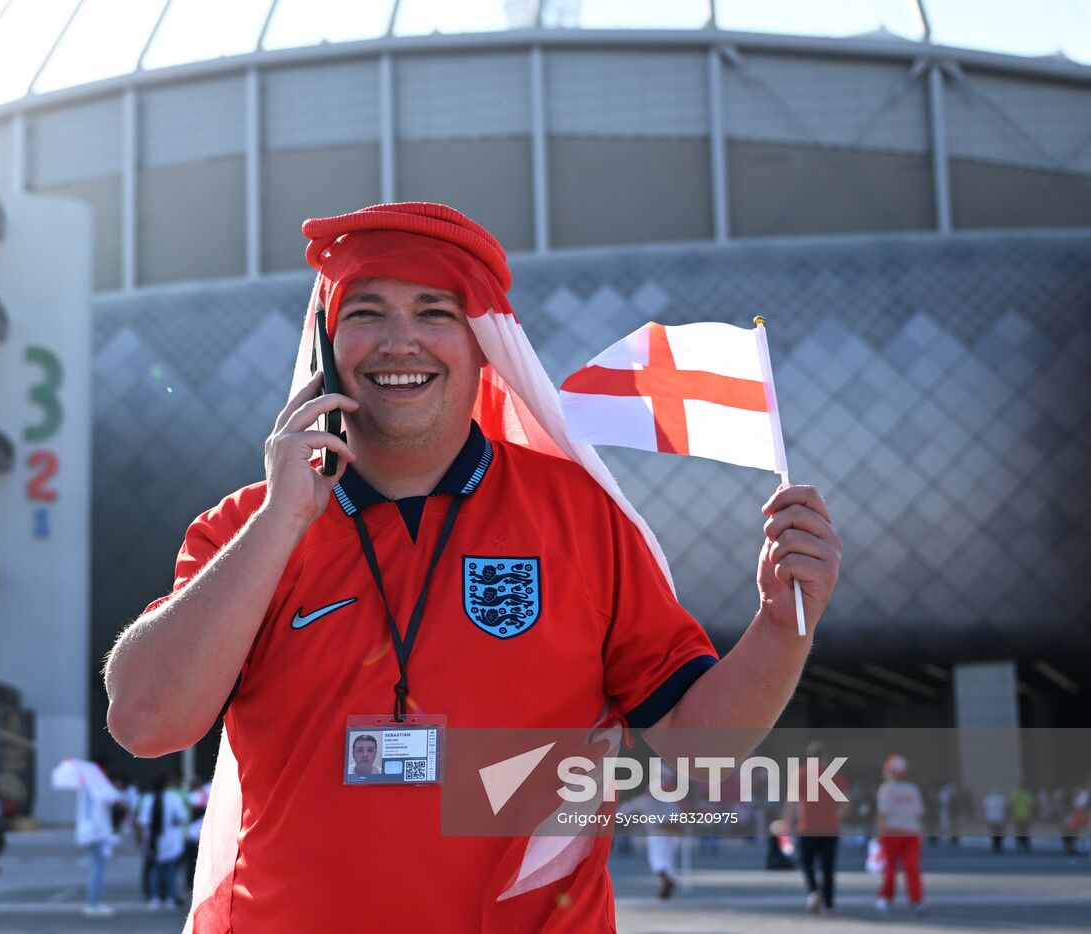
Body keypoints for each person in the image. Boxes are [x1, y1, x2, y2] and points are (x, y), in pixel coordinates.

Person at [104, 202, 843, 931]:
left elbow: (696, 747)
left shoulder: (581, 519)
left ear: (484, 344)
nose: (401, 342)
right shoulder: (246, 530)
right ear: (325, 348)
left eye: (435, 313)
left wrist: (782, 628)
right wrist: (283, 517)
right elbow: (145, 722)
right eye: (366, 312)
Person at [782, 740, 848, 914]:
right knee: (828, 866)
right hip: (830, 827)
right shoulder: (834, 775)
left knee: (806, 862)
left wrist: (787, 823)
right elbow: (845, 802)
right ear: (825, 756)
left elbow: (792, 802)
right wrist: (839, 815)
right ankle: (829, 901)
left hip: (808, 827)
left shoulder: (801, 774)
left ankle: (813, 891)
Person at [874, 755, 924, 915]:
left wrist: (879, 834)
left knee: (889, 868)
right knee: (912, 869)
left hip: (892, 833)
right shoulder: (912, 789)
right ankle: (917, 901)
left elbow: (883, 815)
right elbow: (919, 813)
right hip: (912, 833)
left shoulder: (886, 789)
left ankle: (885, 898)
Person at [74, 762, 118, 917]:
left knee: (95, 867)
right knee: (98, 869)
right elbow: (112, 797)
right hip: (97, 832)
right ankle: (94, 903)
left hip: (89, 831)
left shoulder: (86, 786)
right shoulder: (97, 786)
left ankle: (93, 902)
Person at [150, 772, 188, 911]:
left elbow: (143, 822)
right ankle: (169, 898)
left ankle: (155, 898)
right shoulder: (174, 798)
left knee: (155, 869)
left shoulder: (150, 798)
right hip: (172, 840)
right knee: (170, 871)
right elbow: (182, 817)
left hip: (154, 839)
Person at [1009, 785, 1034, 852]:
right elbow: (1031, 805)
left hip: (1017, 815)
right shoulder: (1027, 795)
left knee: (1018, 831)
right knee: (1026, 831)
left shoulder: (1015, 794)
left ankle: (1019, 844)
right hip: (1026, 815)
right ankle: (1026, 844)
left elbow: (1010, 804)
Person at [983, 785, 1008, 853]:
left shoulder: (987, 799)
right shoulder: (1002, 798)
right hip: (1000, 818)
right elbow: (1005, 809)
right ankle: (999, 845)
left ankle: (995, 845)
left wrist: (985, 817)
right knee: (1000, 832)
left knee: (994, 832)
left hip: (991, 818)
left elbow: (985, 809)